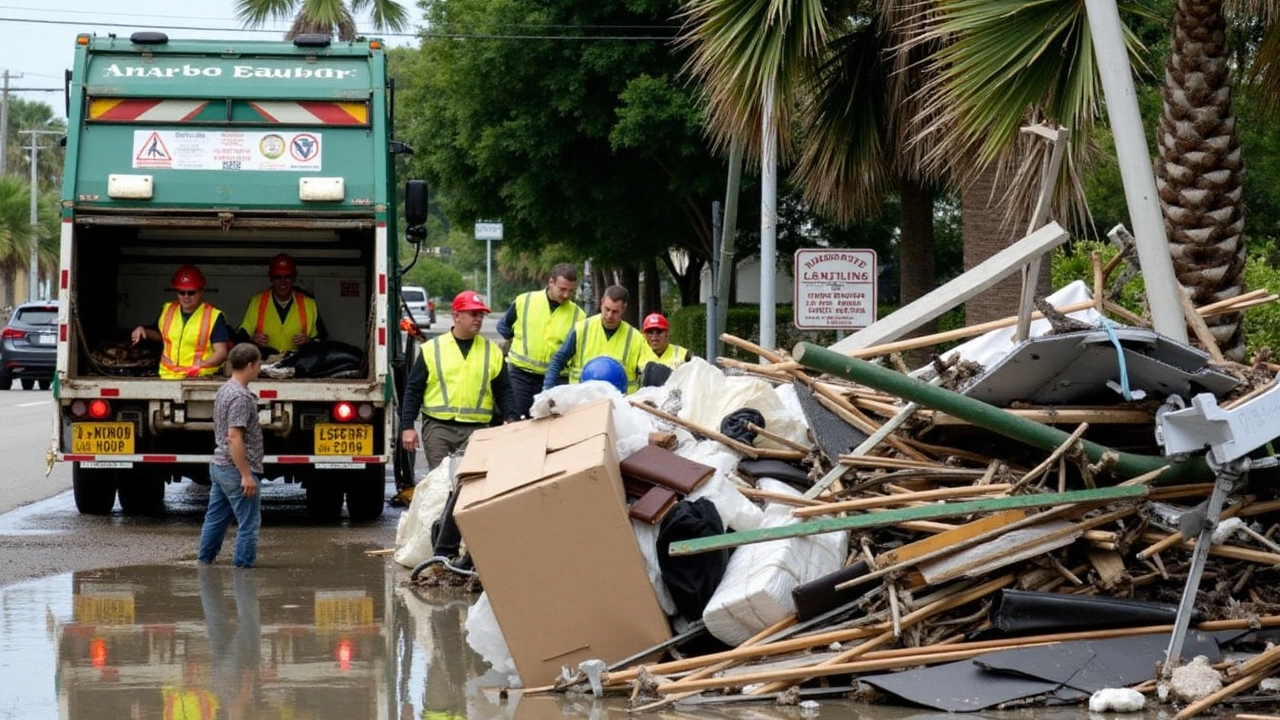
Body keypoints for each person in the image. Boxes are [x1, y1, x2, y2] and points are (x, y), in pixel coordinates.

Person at [400, 290, 518, 560]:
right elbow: (413, 390)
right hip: (439, 429)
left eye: (481, 315)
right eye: (473, 314)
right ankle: (440, 547)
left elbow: (504, 391)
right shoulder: (432, 350)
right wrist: (408, 426)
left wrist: (511, 418)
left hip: (477, 431)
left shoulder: (491, 351)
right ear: (457, 316)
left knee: (469, 490)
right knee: (443, 490)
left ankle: (465, 548)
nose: (478, 319)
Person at [198, 343, 264, 568]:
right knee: (249, 524)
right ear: (249, 365)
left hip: (219, 466)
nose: (259, 368)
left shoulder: (225, 389)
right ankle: (244, 569)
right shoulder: (241, 397)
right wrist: (246, 475)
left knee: (215, 519)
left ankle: (205, 561)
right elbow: (234, 437)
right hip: (234, 469)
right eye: (258, 364)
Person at [495, 263, 584, 418]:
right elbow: (504, 326)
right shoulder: (525, 301)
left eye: (571, 291)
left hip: (556, 379)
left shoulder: (579, 315)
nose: (566, 295)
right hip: (520, 375)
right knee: (516, 420)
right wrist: (517, 341)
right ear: (551, 282)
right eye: (562, 289)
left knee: (550, 426)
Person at [542, 285, 647, 394]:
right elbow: (558, 360)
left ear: (624, 308)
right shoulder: (582, 329)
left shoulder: (635, 338)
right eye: (607, 309)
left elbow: (647, 370)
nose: (609, 315)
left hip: (620, 404)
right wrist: (547, 390)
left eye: (615, 312)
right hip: (583, 401)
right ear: (601, 302)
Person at [132, 264, 231, 379]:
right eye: (181, 292)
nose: (186, 296)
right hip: (168, 377)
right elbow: (160, 335)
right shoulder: (167, 309)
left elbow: (221, 353)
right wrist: (143, 330)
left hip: (198, 378)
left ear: (201, 292)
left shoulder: (214, 316)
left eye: (191, 292)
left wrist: (199, 367)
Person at [239, 253, 324, 354]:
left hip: (297, 363)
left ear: (294, 278)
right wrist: (253, 340)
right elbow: (241, 337)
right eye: (278, 277)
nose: (282, 282)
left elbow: (322, 340)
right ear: (271, 278)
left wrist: (309, 342)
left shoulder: (309, 304)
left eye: (287, 277)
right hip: (265, 363)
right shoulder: (257, 302)